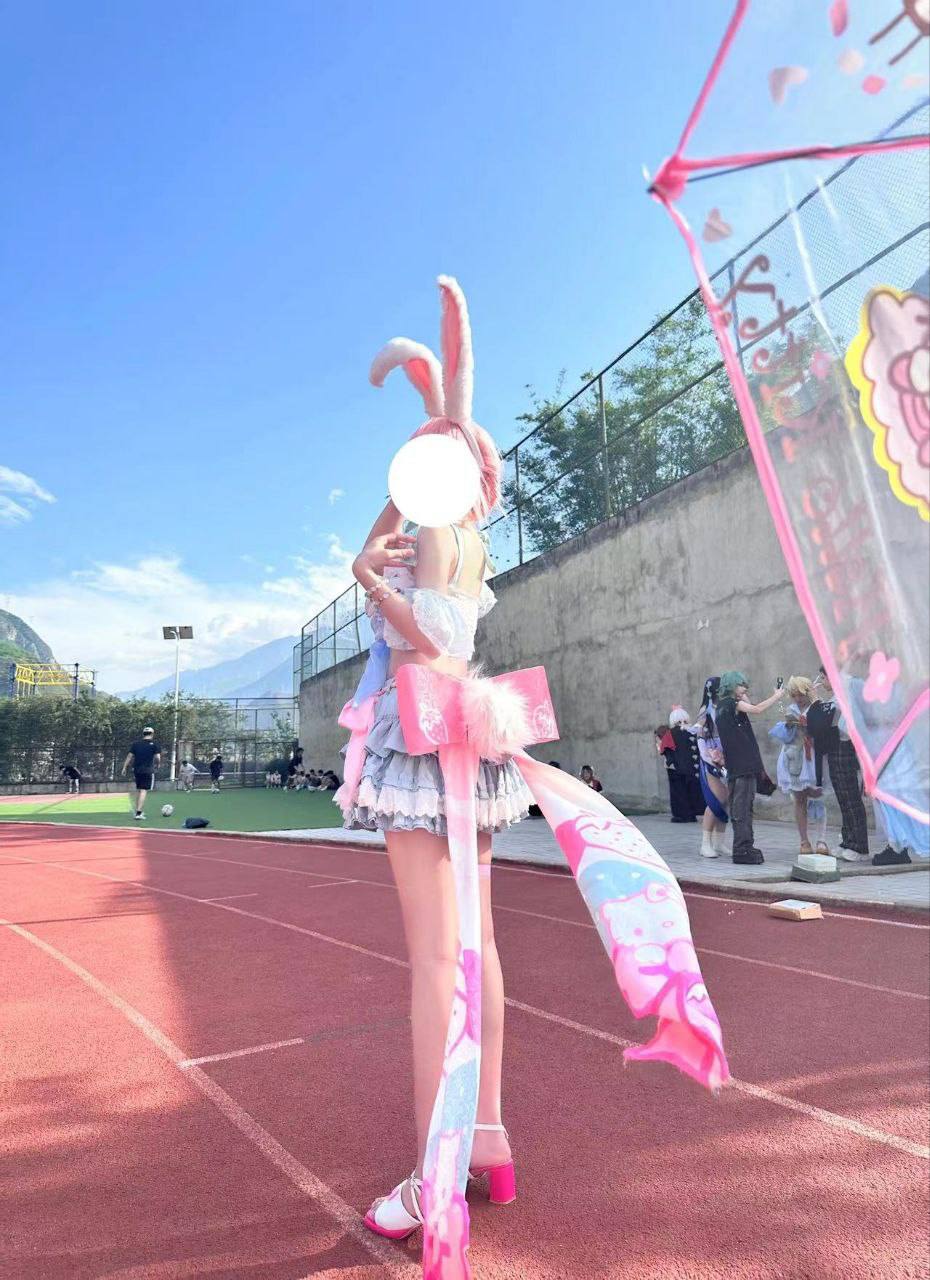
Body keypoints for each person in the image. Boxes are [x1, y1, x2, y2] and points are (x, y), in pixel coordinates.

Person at [333, 277, 728, 1258]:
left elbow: (429, 640)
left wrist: (369, 579)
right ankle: (489, 1135)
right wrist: (431, 430)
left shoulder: (431, 535)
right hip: (471, 744)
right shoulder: (464, 532)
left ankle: (436, 1172)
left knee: (435, 960)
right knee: (479, 950)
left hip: (427, 739)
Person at [716, 671, 783, 864]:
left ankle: (743, 846)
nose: (744, 689)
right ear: (731, 686)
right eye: (741, 685)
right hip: (745, 764)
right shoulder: (733, 704)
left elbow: (749, 707)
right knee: (744, 807)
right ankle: (743, 848)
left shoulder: (721, 707)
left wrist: (743, 695)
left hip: (735, 764)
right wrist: (777, 696)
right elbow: (757, 709)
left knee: (739, 807)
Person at [808, 667, 870, 862]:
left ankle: (859, 847)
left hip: (844, 749)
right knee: (843, 797)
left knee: (850, 797)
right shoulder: (836, 698)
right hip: (835, 749)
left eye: (823, 677)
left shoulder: (843, 698)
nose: (821, 681)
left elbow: (823, 720)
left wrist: (814, 699)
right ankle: (847, 840)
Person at [770, 676, 830, 856]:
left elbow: (826, 728)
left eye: (800, 695)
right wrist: (790, 725)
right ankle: (804, 841)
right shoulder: (791, 709)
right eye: (794, 695)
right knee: (799, 798)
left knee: (818, 795)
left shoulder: (819, 705)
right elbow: (786, 734)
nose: (797, 699)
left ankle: (822, 840)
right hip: (795, 756)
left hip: (814, 755)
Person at [692, 676, 729, 859]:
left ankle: (719, 842)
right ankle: (705, 843)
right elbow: (700, 738)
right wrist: (710, 759)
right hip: (711, 760)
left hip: (726, 759)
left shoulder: (724, 708)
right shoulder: (705, 711)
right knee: (716, 800)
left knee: (726, 800)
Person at [659, 708, 704, 822]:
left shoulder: (670, 734)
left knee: (678, 792)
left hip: (676, 768)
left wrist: (670, 762)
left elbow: (665, 749)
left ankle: (681, 815)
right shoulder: (693, 731)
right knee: (692, 790)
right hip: (693, 768)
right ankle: (693, 813)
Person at [121, 727, 161, 821]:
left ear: (143, 734)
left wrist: (124, 767)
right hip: (148, 770)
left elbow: (129, 756)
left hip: (137, 770)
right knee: (143, 790)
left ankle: (138, 811)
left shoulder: (136, 744)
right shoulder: (155, 744)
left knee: (139, 790)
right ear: (152, 734)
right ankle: (139, 813)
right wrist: (158, 765)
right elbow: (158, 758)